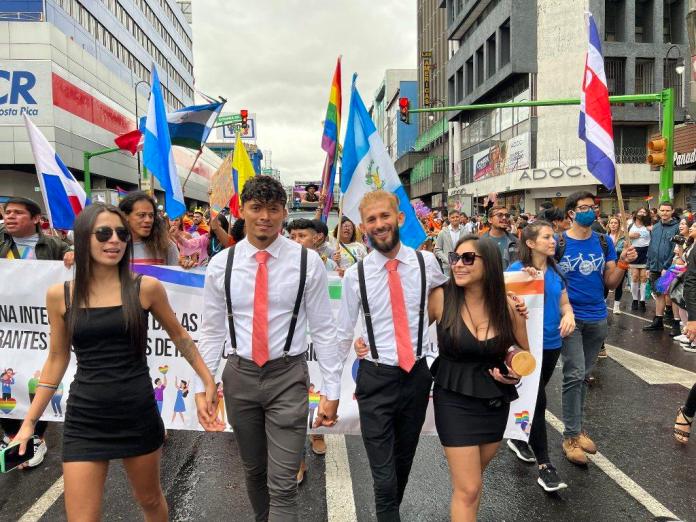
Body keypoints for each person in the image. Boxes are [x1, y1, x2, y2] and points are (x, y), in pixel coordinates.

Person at [13, 202, 217, 521]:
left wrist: (208, 380)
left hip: (136, 412)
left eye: (121, 234)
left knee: (150, 501)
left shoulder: (145, 288)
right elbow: (56, 358)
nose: (114, 240)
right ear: (83, 239)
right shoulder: (60, 295)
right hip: (84, 417)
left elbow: (180, 337)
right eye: (104, 233)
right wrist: (28, 423)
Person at [193, 176, 341, 521]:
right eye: (256, 207)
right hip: (240, 376)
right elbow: (212, 331)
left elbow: (323, 329)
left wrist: (333, 390)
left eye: (273, 209)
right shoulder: (222, 264)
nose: (265, 217)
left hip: (288, 376)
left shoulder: (307, 262)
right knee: (254, 472)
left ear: (284, 213)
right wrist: (204, 385)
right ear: (242, 211)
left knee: (283, 485)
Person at [339, 190, 449, 521]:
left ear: (399, 218)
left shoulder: (426, 263)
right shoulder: (355, 275)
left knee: (402, 464)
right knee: (384, 479)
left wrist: (512, 298)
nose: (379, 224)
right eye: (371, 219)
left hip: (416, 376)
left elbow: (450, 295)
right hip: (376, 379)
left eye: (385, 216)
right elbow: (343, 331)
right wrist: (331, 390)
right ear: (363, 227)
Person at [427, 235, 529, 520]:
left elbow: (524, 354)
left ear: (490, 263)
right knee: (470, 487)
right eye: (454, 258)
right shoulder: (440, 298)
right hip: (454, 400)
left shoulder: (509, 306)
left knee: (471, 484)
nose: (458, 264)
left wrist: (513, 373)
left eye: (468, 258)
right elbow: (405, 333)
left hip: (494, 402)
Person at [555, 191, 636, 465]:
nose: (591, 211)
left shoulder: (603, 242)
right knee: (574, 373)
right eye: (584, 207)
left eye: (593, 206)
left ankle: (577, 429)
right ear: (571, 213)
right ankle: (570, 437)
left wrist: (623, 262)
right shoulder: (558, 243)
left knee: (584, 376)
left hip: (597, 317)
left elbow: (610, 282)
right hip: (569, 318)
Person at [0, 196, 74, 467]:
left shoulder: (53, 245)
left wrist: (73, 253)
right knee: (5, 380)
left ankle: (36, 437)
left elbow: (78, 256)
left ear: (35, 219)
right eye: (7, 212)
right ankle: (11, 435)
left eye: (18, 213)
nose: (10, 217)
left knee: (38, 379)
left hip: (42, 328)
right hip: (7, 329)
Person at [505, 221, 574, 492]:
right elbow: (501, 303)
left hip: (552, 344)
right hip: (527, 347)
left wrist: (568, 315)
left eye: (553, 237)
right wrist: (525, 281)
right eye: (546, 237)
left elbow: (564, 303)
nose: (552, 241)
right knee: (537, 400)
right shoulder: (515, 271)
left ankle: (518, 436)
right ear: (531, 243)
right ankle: (545, 467)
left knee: (533, 396)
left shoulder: (556, 271)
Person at [643, 202, 680, 331]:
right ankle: (658, 321)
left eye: (667, 210)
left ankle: (676, 323)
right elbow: (651, 246)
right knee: (658, 294)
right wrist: (648, 266)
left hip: (669, 267)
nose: (664, 213)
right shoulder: (656, 227)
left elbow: (675, 248)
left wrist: (667, 266)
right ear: (658, 211)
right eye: (662, 210)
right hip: (654, 266)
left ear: (672, 211)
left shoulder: (677, 227)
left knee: (671, 294)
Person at [119, 192, 179, 265]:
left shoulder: (166, 246)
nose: (148, 220)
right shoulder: (115, 246)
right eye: (142, 215)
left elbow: (179, 271)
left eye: (151, 215)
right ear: (125, 216)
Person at [481, 205, 518, 269]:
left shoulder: (515, 242)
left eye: (507, 215)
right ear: (490, 219)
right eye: (499, 215)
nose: (504, 218)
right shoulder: (480, 243)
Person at [628, 212, 650, 311]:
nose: (642, 214)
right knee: (635, 277)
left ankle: (642, 301)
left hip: (646, 251)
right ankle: (635, 300)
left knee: (643, 277)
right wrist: (630, 235)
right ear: (636, 214)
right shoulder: (630, 225)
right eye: (640, 212)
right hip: (634, 251)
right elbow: (625, 237)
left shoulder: (649, 225)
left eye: (644, 212)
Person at [606, 216, 627, 315]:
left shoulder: (623, 236)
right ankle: (603, 304)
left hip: (619, 261)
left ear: (619, 225)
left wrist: (615, 248)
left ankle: (616, 306)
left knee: (619, 284)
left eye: (615, 223)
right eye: (612, 223)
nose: (613, 225)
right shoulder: (605, 236)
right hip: (608, 262)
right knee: (606, 284)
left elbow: (625, 249)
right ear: (609, 224)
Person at [434, 209, 464, 277]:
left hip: (462, 264)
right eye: (452, 217)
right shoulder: (443, 232)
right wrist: (447, 260)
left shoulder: (465, 231)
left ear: (459, 217)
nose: (455, 219)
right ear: (449, 219)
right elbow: (437, 249)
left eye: (457, 217)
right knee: (448, 283)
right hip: (447, 267)